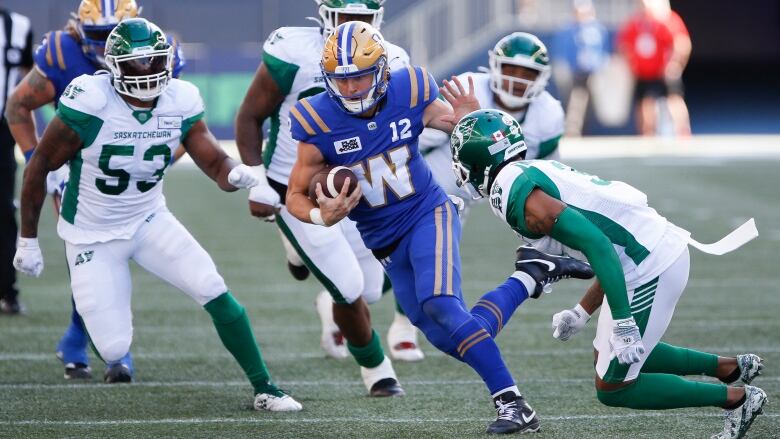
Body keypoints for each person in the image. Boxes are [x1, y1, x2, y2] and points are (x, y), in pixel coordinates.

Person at [285, 21, 594, 433]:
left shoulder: (408, 88)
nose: (352, 89)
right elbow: (295, 194)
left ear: (380, 71)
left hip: (428, 212)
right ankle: (531, 275)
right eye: (342, 81)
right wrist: (323, 216)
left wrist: (466, 117)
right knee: (446, 334)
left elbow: (451, 123)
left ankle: (513, 404)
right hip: (382, 239)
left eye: (360, 77)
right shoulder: (316, 117)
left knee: (441, 305)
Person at [12, 18, 302, 412]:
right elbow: (38, 166)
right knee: (113, 346)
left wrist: (239, 174)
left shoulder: (179, 100)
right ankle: (100, 317)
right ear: (114, 67)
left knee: (212, 287)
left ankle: (266, 388)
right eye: (136, 63)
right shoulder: (91, 101)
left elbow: (214, 162)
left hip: (149, 219)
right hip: (91, 234)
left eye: (154, 61)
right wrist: (28, 239)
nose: (147, 71)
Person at [449, 108, 767, 438]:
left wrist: (624, 320)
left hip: (651, 264)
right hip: (639, 253)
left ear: (479, 162)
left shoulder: (516, 194)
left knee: (614, 386)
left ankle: (738, 399)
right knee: (609, 353)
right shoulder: (525, 173)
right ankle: (728, 367)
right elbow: (605, 247)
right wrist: (581, 312)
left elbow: (600, 246)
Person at [235, 0, 423, 393]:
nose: (354, 29)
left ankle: (312, 275)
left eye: (364, 20)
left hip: (354, 189)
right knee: (348, 287)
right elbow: (249, 116)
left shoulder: (393, 59)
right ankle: (376, 368)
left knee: (371, 289)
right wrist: (258, 183)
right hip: (294, 187)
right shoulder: (293, 52)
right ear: (324, 17)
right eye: (345, 18)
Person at [5, 0, 185, 382]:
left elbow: (188, 124)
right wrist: (39, 158)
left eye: (111, 36)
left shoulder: (156, 52)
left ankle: (89, 339)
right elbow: (18, 106)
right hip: (78, 167)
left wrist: (154, 161)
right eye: (97, 37)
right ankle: (103, 346)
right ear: (79, 31)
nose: (104, 47)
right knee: (94, 251)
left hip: (129, 166)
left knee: (119, 250)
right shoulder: (62, 52)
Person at [419, 32, 564, 216]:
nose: (517, 80)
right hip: (430, 183)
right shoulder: (469, 90)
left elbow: (550, 175)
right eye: (511, 70)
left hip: (467, 198)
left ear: (541, 77)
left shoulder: (548, 114)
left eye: (528, 73)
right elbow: (418, 141)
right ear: (495, 67)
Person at [0, 8, 33, 315]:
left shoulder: (19, 25)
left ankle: (7, 291)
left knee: (4, 211)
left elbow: (29, 78)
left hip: (2, 130)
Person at [617, 0, 691, 137]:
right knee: (644, 103)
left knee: (674, 99)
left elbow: (682, 44)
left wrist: (674, 64)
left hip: (665, 71)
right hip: (643, 72)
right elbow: (624, 46)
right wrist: (631, 65)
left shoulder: (667, 20)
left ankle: (682, 132)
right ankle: (647, 133)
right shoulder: (634, 23)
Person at [552, 0, 609, 137]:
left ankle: (591, 131)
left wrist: (600, 66)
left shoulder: (597, 29)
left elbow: (603, 50)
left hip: (594, 71)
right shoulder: (568, 30)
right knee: (577, 100)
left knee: (595, 103)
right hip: (577, 72)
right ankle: (573, 129)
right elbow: (562, 52)